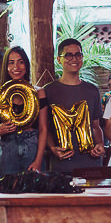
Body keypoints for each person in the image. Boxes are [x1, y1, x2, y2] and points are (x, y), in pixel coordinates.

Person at [45, 38, 105, 172]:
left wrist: (100, 144)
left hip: (91, 164)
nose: (74, 59)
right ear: (59, 59)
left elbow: (95, 126)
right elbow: (45, 128)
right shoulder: (48, 90)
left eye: (78, 54)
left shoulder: (92, 90)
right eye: (68, 55)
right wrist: (52, 148)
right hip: (61, 164)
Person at [0, 46, 47, 175]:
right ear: (6, 67)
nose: (16, 67)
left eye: (20, 62)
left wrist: (38, 160)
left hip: (32, 148)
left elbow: (43, 129)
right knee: (6, 186)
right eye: (11, 63)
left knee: (36, 186)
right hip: (7, 148)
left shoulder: (39, 93)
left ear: (26, 65)